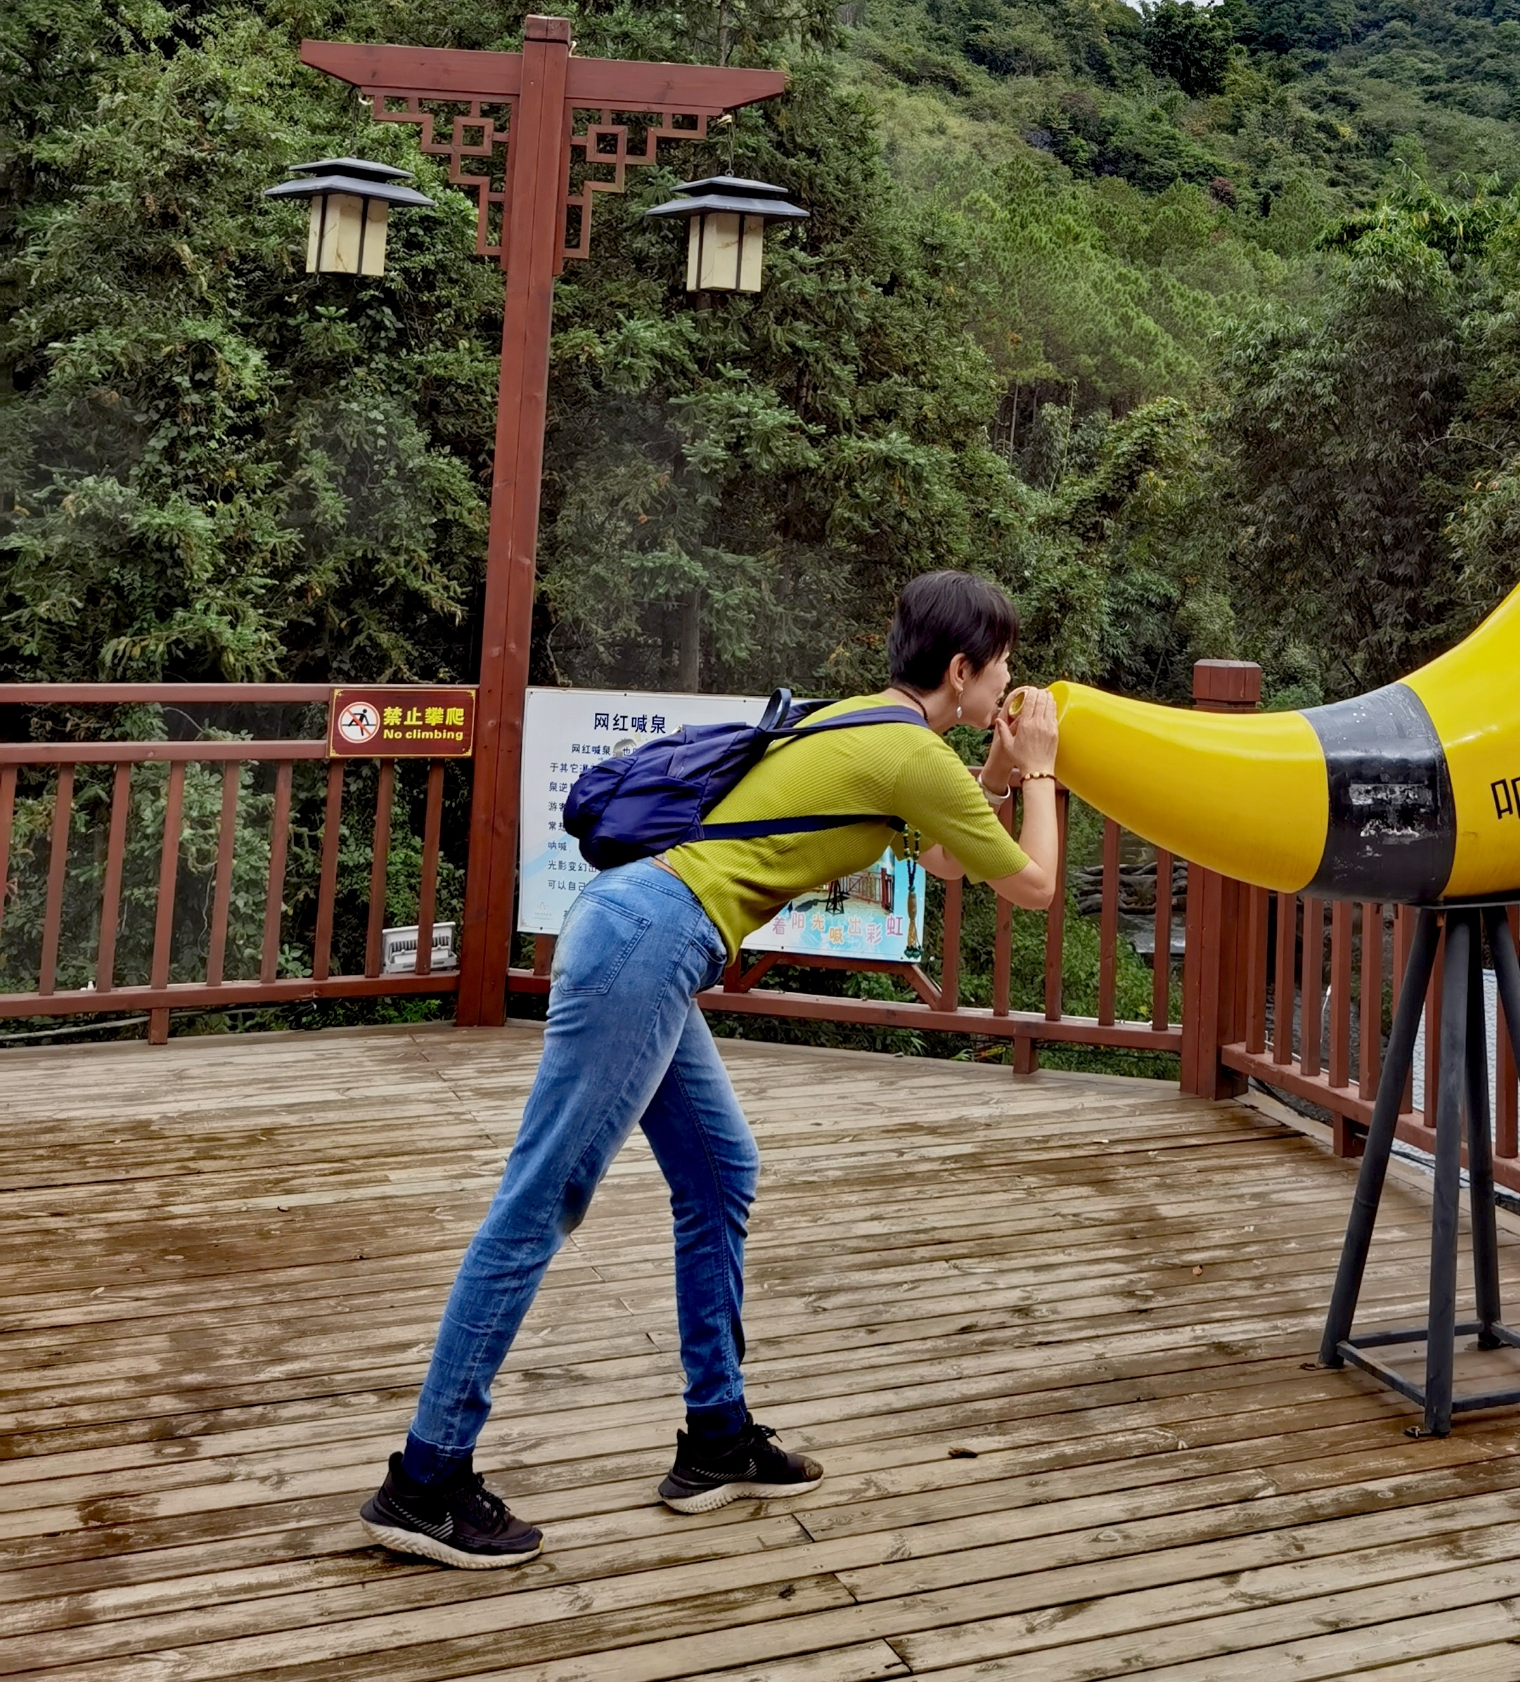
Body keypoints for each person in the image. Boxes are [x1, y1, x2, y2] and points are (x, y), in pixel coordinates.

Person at [358, 569, 1059, 1571]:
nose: (1006, 691)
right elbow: (1029, 886)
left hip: (643, 925)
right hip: (653, 937)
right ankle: (424, 1480)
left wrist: (992, 770)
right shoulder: (910, 750)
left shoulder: (872, 724)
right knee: (540, 1198)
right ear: (961, 669)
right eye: (1001, 674)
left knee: (721, 1173)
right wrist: (1036, 770)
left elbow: (950, 861)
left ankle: (716, 1438)